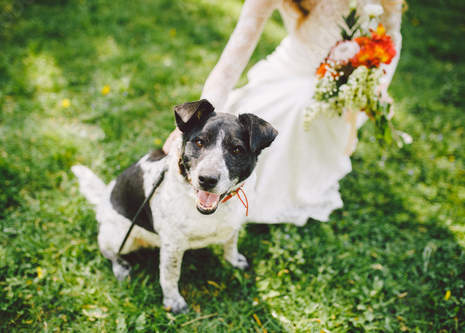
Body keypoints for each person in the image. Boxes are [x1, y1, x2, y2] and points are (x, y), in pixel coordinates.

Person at [164, 0, 403, 225]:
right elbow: (235, 53)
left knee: (301, 107)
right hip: (291, 68)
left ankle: (285, 190)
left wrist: (378, 86)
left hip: (339, 86)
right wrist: (195, 122)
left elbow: (391, 36)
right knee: (237, 129)